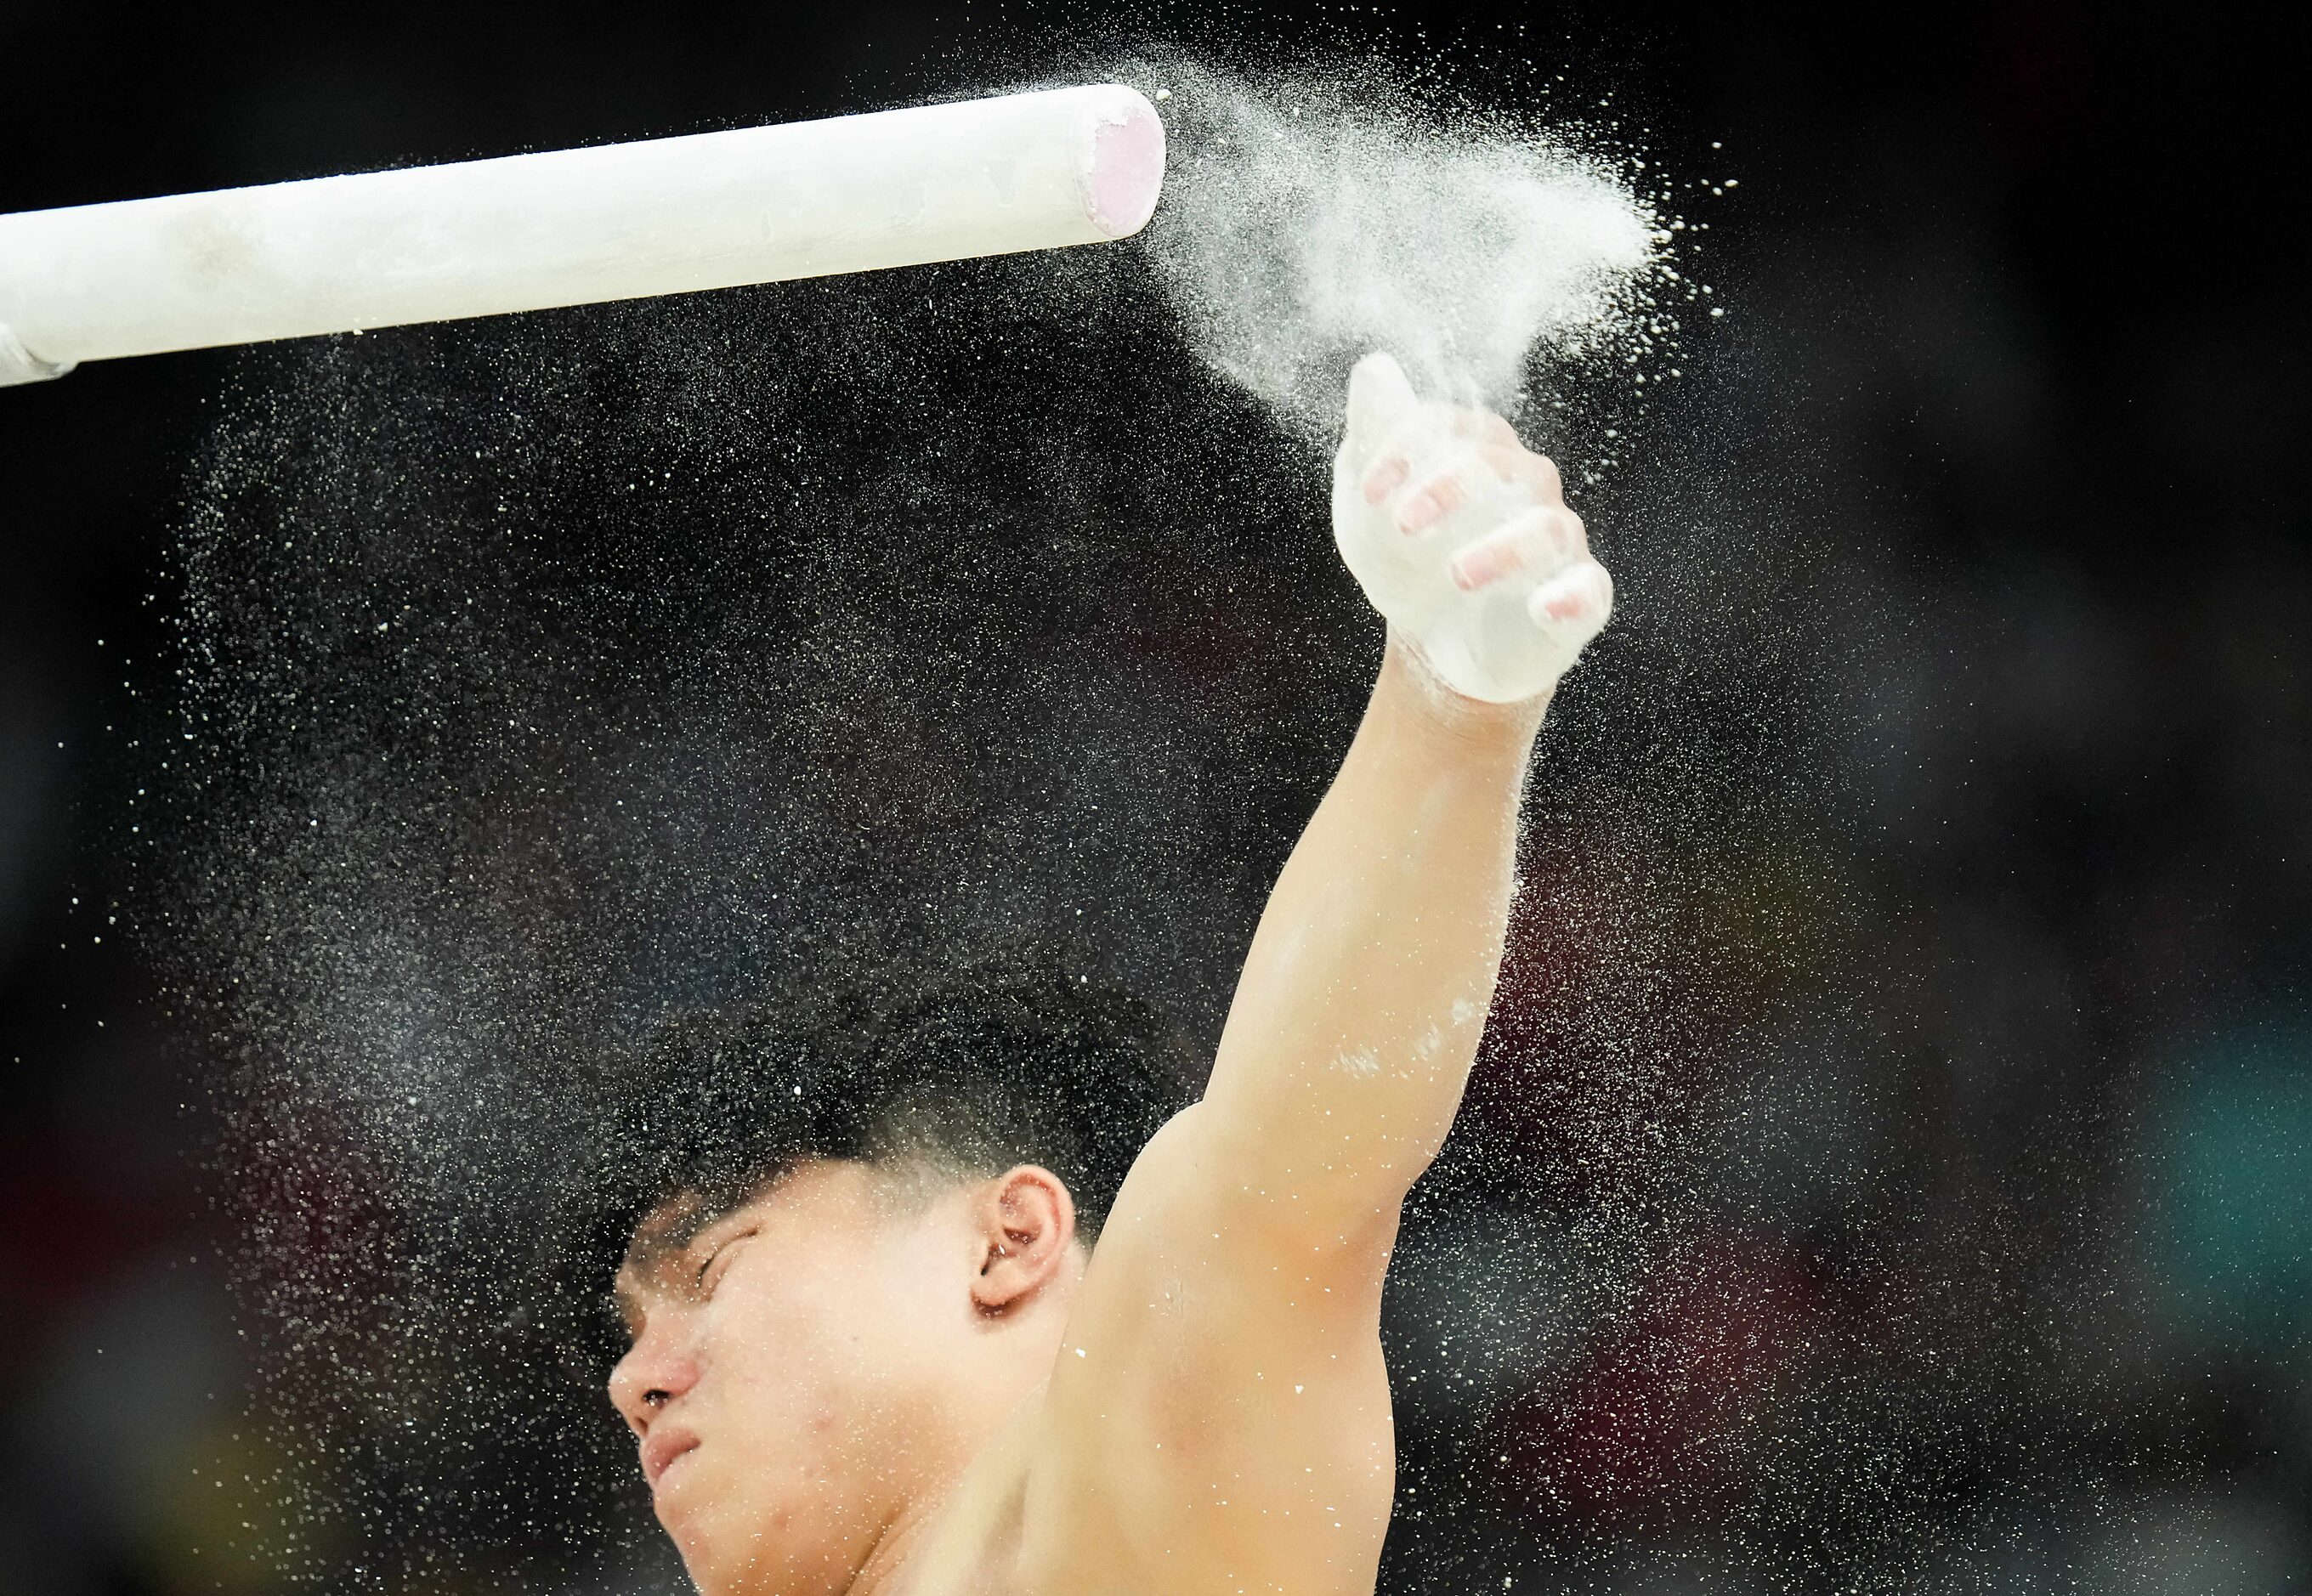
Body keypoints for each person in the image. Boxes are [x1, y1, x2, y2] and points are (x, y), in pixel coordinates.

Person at [605, 352, 1616, 1596]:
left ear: (1008, 1240)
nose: (635, 1377)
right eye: (640, 1326)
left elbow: (1285, 1183)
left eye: (709, 1273)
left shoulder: (1136, 1529)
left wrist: (1454, 699)